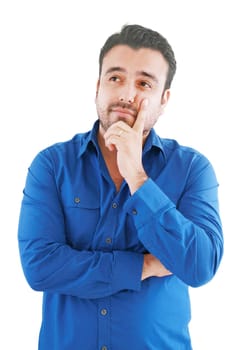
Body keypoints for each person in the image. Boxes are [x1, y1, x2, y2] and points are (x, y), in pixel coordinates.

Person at [18, 24, 223, 350]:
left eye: (144, 83)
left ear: (164, 98)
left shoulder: (192, 170)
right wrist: (143, 266)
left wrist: (138, 178)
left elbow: (199, 266)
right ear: (98, 86)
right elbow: (40, 267)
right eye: (115, 78)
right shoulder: (52, 165)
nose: (127, 93)